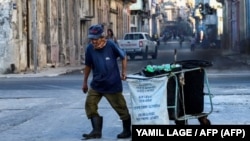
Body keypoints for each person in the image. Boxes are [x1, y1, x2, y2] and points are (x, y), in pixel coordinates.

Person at [82, 24, 131, 139]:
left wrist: (124, 72)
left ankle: (127, 131)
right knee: (90, 104)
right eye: (91, 39)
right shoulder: (89, 49)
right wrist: (84, 82)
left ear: (102, 38)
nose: (93, 41)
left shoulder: (110, 45)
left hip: (112, 84)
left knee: (121, 108)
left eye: (95, 39)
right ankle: (96, 131)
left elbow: (124, 56)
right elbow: (88, 65)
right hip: (97, 84)